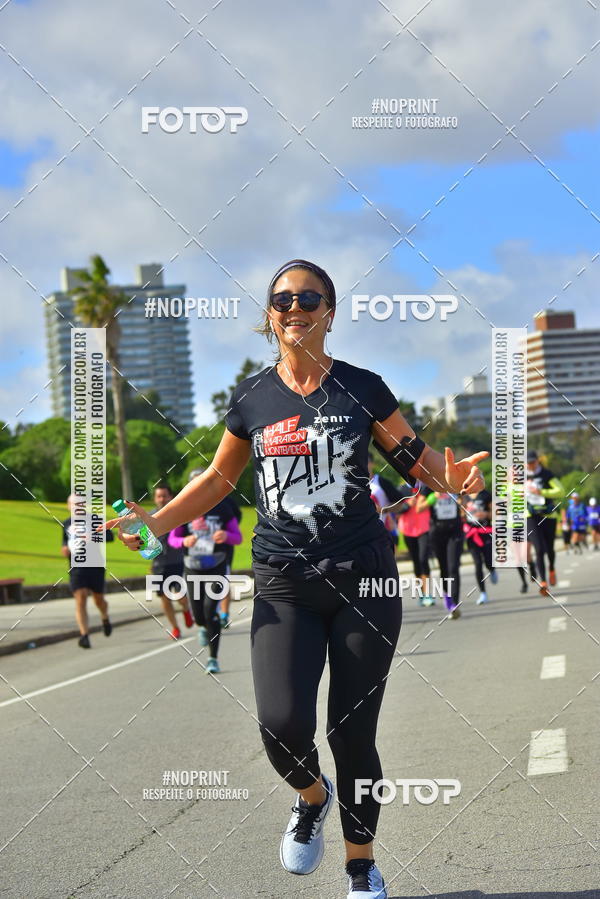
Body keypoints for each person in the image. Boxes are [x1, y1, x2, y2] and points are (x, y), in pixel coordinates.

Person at [104, 259, 487, 899]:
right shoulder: (254, 398)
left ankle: (361, 870)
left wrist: (454, 481)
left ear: (329, 313)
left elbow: (412, 457)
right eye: (282, 300)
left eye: (309, 298)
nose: (294, 308)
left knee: (350, 730)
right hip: (283, 579)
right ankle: (313, 798)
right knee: (281, 723)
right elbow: (222, 479)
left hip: (364, 577)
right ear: (270, 314)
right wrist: (159, 519)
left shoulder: (362, 388)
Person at [167, 469, 242, 674]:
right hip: (193, 567)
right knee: (199, 615)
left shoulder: (224, 509)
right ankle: (201, 626)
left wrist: (225, 535)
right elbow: (172, 539)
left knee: (210, 612)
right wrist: (184, 540)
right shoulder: (184, 510)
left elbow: (238, 537)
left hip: (216, 565)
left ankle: (212, 658)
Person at [61, 494, 114, 649]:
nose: (77, 507)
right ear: (68, 506)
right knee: (81, 597)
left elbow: (110, 536)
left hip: (95, 566)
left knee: (99, 600)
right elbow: (66, 542)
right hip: (76, 567)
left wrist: (94, 536)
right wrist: (64, 548)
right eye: (73, 504)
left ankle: (104, 617)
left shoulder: (95, 520)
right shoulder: (66, 524)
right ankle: (84, 635)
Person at [150, 482, 194, 640]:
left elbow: (189, 534)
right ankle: (175, 628)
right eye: (158, 496)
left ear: (171, 497)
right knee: (164, 597)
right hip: (158, 564)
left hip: (177, 561)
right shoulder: (148, 517)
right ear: (155, 498)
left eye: (164, 496)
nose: (161, 499)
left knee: (181, 596)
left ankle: (186, 608)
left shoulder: (178, 515)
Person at [526, 449, 564, 596]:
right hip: (531, 516)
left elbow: (560, 491)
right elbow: (510, 492)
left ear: (538, 461)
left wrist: (542, 492)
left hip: (548, 516)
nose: (531, 465)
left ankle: (552, 568)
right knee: (539, 549)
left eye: (533, 462)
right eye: (528, 463)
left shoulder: (546, 474)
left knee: (549, 549)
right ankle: (543, 582)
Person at [426, 491, 464, 617]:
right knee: (444, 568)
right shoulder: (429, 486)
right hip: (437, 532)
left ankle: (454, 604)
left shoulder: (455, 484)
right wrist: (433, 498)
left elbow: (465, 500)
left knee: (453, 567)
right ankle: (447, 597)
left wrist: (461, 501)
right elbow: (419, 507)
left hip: (455, 531)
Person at [462, 489, 498, 605]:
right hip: (471, 534)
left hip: (486, 532)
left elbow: (495, 512)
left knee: (488, 560)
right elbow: (461, 514)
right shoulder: (463, 495)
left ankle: (492, 569)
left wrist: (486, 514)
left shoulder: (486, 495)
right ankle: (483, 593)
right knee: (477, 563)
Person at [218, 491, 243, 628]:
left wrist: (226, 532)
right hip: (198, 553)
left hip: (224, 548)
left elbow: (237, 516)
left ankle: (224, 614)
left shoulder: (226, 501)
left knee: (224, 580)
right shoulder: (191, 502)